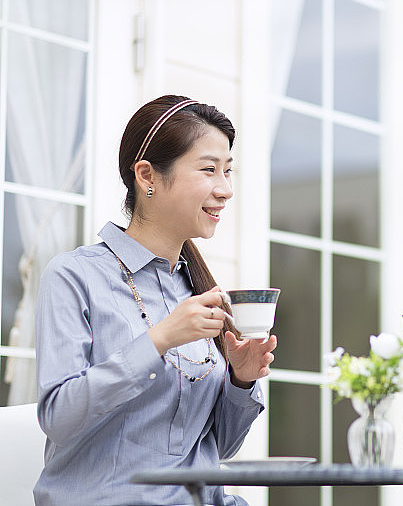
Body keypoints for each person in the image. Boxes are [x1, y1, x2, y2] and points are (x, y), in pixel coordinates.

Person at [34, 95, 277, 506]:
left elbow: (219, 449)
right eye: (209, 170)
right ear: (147, 176)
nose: (226, 189)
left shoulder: (197, 291)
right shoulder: (74, 276)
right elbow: (59, 419)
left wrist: (241, 379)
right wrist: (158, 340)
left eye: (228, 171)